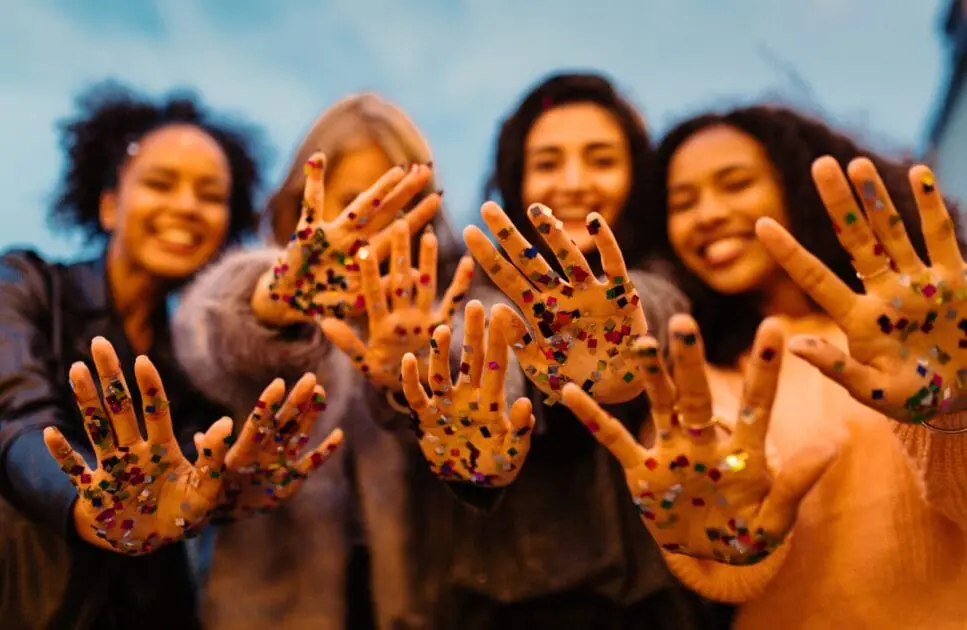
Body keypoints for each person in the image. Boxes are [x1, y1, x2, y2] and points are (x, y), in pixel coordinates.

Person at [560, 105, 967, 628]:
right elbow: (731, 559)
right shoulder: (690, 374)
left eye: (736, 184)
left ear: (797, 189)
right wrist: (727, 537)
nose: (708, 214)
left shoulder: (928, 336)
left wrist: (952, 410)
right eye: (683, 203)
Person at [390, 71, 730, 629]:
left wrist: (623, 356)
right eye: (548, 163)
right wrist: (494, 404)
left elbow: (656, 308)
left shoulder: (665, 276)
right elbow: (480, 337)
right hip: (493, 614)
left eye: (601, 160)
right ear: (516, 177)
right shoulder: (473, 288)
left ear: (637, 174)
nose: (573, 183)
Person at [0, 82, 342, 630]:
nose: (185, 206)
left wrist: (219, 492)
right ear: (108, 205)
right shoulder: (25, 286)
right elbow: (15, 420)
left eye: (210, 195)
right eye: (160, 183)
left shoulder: (198, 355)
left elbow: (185, 487)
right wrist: (87, 503)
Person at [172, 93, 468, 630]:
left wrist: (423, 365)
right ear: (304, 204)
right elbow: (209, 332)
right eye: (356, 200)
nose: (379, 222)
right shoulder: (263, 280)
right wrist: (270, 308)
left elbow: (487, 376)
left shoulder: (447, 303)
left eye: (399, 204)